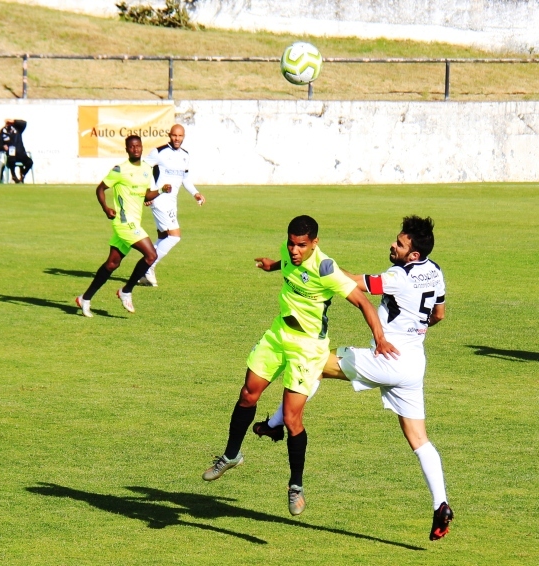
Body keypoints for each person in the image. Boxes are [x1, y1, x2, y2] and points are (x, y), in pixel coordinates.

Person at [254, 216, 455, 540]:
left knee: (314, 360)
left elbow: (355, 284)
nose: (394, 244)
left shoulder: (398, 277)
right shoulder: (436, 271)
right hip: (414, 363)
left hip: (386, 357)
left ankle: (276, 424)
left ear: (413, 254)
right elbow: (439, 315)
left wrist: (318, 264)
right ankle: (441, 504)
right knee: (419, 440)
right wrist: (413, 328)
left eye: (400, 244)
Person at [201, 215, 399, 517]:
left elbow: (364, 303)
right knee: (247, 394)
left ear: (314, 243)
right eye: (291, 243)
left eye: (301, 245)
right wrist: (273, 265)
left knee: (292, 420)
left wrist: (380, 338)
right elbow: (288, 262)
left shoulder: (326, 269)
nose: (294, 250)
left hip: (308, 348)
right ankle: (231, 455)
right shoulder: (287, 251)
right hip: (279, 334)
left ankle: (296, 486)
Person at [76, 135, 169, 316]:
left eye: (138, 146)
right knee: (151, 255)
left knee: (112, 264)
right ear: (127, 149)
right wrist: (106, 208)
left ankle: (84, 298)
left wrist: (161, 191)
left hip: (134, 222)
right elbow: (100, 189)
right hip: (124, 222)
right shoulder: (120, 170)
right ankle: (126, 291)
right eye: (132, 147)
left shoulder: (146, 169)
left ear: (142, 148)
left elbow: (146, 196)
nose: (136, 149)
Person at [137, 124, 205, 287]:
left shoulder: (185, 156)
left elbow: (185, 178)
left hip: (171, 201)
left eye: (180, 136)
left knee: (163, 237)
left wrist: (195, 193)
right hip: (160, 199)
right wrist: (149, 191)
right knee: (174, 236)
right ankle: (148, 267)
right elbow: (143, 168)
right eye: (174, 135)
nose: (177, 139)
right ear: (169, 135)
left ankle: (144, 270)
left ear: (183, 137)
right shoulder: (159, 152)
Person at [0, 119, 33, 183]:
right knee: (11, 160)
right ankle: (14, 176)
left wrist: (14, 121)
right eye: (7, 123)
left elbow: (24, 123)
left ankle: (23, 175)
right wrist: (3, 147)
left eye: (10, 123)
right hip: (11, 154)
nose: (9, 125)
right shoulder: (2, 132)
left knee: (30, 162)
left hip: (21, 153)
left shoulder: (18, 129)